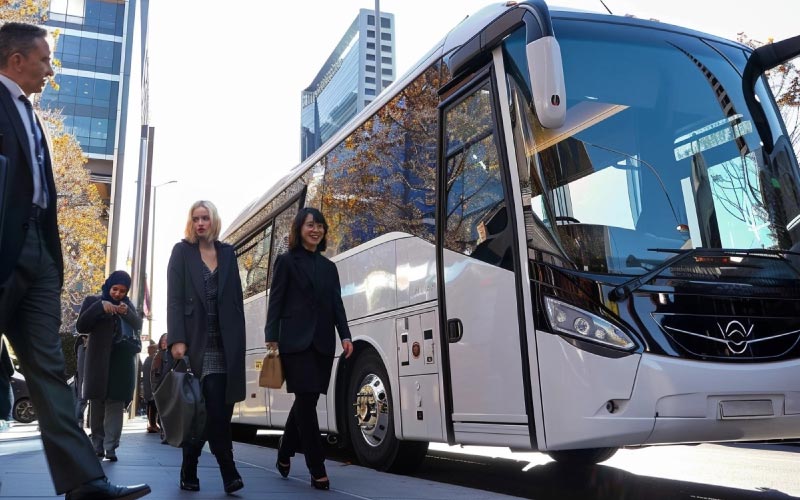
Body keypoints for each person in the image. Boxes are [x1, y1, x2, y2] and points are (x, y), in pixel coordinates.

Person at [0, 22, 150, 500]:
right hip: (3, 248)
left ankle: (86, 483)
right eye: (44, 60)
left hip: (39, 258)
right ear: (16, 59)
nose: (50, 69)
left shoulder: (31, 114)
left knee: (48, 371)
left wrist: (49, 254)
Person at [265, 207, 354, 490]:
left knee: (307, 401)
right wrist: (272, 335)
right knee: (306, 403)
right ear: (299, 229)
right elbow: (276, 300)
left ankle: (284, 448)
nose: (316, 230)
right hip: (295, 342)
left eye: (320, 226)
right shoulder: (286, 261)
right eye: (310, 225)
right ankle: (317, 467)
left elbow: (336, 304)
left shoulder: (330, 268)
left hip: (323, 342)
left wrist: (346, 336)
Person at [166, 200, 246, 493]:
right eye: (196, 218)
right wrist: (177, 339)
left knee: (219, 411)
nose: (200, 223)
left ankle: (189, 466)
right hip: (197, 343)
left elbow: (236, 300)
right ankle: (228, 471)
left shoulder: (228, 252)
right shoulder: (181, 252)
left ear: (213, 221)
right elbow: (174, 298)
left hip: (227, 344)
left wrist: (241, 342)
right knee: (207, 407)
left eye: (205, 218)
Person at [76, 270, 142, 463]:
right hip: (98, 362)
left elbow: (137, 324)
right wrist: (100, 308)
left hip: (120, 363)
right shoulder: (92, 301)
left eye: (122, 290)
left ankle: (110, 447)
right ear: (108, 286)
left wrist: (126, 312)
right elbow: (82, 326)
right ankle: (97, 445)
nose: (118, 294)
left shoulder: (128, 305)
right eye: (115, 289)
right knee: (96, 403)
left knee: (115, 404)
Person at [141, 342, 159, 433]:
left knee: (151, 405)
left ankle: (152, 424)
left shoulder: (148, 359)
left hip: (148, 386)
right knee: (153, 405)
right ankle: (152, 425)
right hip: (151, 386)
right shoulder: (152, 359)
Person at [72, 332, 88, 427]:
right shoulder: (82, 346)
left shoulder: (79, 346)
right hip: (84, 376)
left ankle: (78, 424)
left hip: (82, 374)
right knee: (82, 398)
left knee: (81, 398)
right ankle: (78, 424)